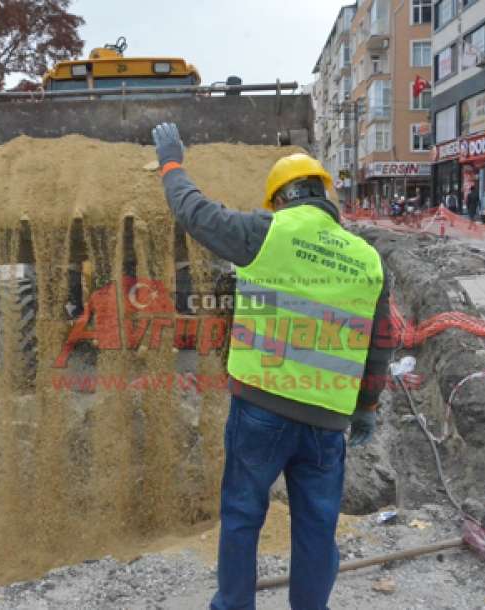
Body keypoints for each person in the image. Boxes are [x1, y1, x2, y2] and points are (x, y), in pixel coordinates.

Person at [151, 123, 393, 610]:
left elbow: (195, 213)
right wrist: (366, 406)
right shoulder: (367, 258)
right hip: (326, 423)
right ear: (325, 194)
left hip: (261, 410)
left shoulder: (266, 233)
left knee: (241, 515)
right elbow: (380, 341)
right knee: (317, 528)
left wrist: (172, 163)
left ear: (280, 198)